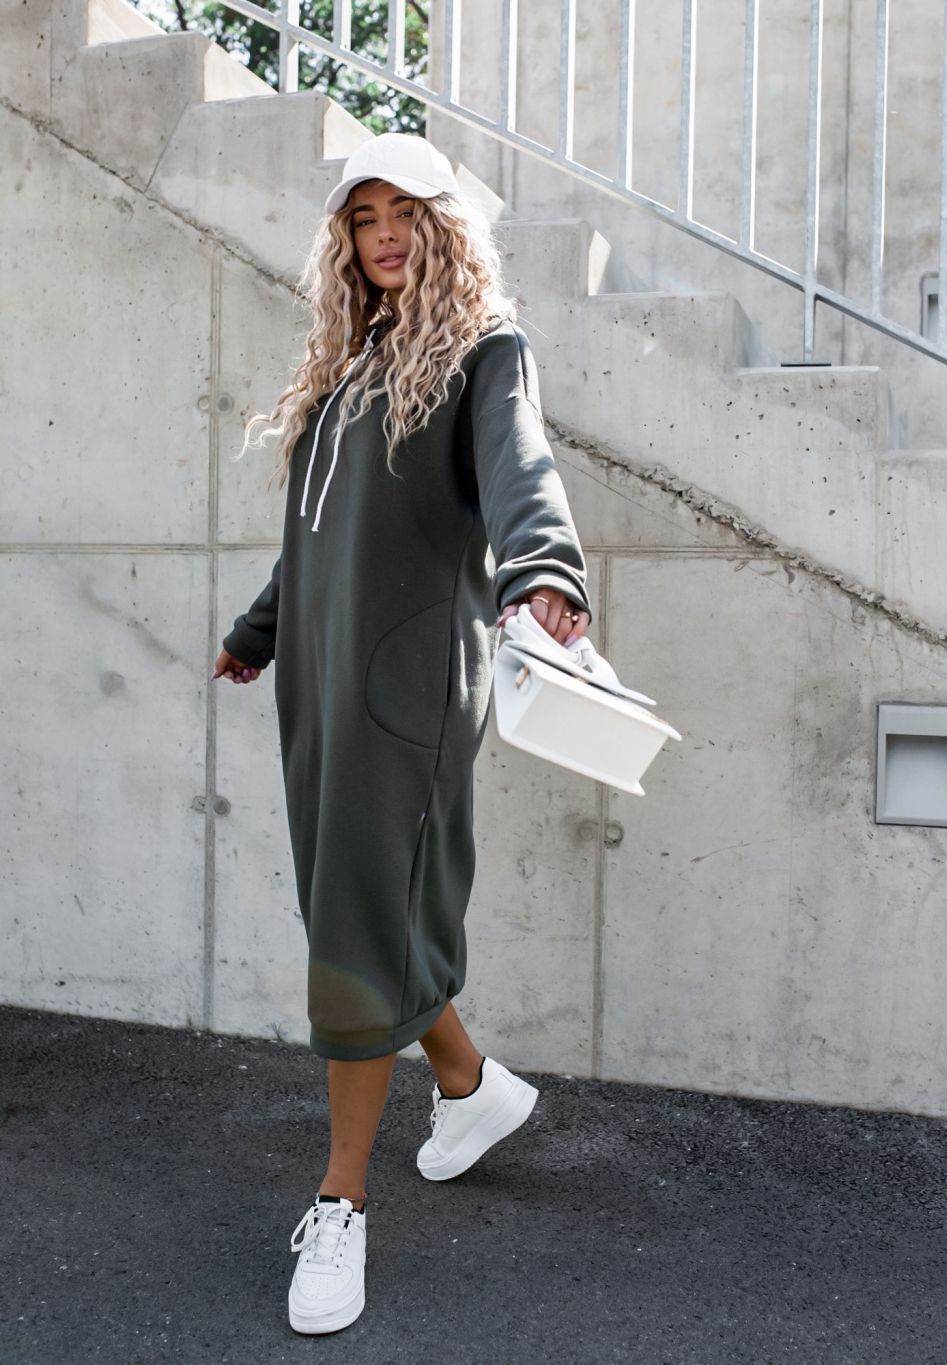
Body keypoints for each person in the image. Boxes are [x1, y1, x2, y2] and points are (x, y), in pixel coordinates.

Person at [210, 131, 592, 1335]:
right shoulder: (347, 368)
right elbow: (315, 542)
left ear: (440, 226)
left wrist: (544, 565)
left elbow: (522, 468)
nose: (382, 233)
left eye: (402, 212)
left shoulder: (483, 351)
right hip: (320, 685)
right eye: (362, 215)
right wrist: (259, 631)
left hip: (408, 688)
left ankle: (341, 1202)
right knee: (356, 910)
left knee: (359, 924)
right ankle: (468, 1086)